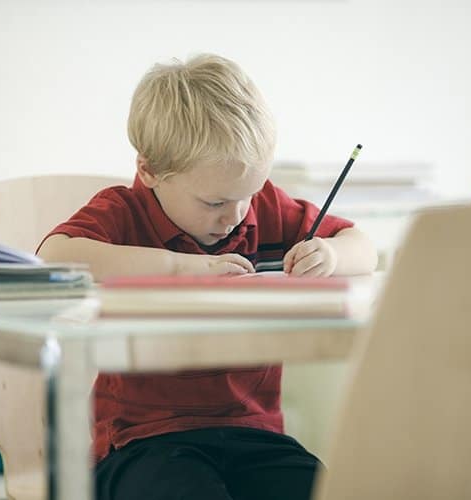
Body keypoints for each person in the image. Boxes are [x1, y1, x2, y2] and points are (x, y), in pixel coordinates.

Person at [37, 54, 378, 500]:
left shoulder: (265, 209)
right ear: (150, 171)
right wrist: (184, 269)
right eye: (215, 203)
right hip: (142, 445)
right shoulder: (124, 211)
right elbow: (54, 255)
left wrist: (330, 253)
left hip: (255, 436)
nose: (236, 216)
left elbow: (363, 247)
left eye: (248, 195)